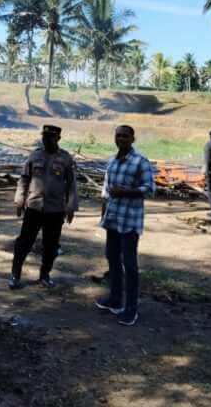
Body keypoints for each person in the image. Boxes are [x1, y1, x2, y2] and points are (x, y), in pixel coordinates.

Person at [95, 125, 155, 326]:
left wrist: (126, 191)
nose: (121, 139)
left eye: (125, 136)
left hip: (129, 221)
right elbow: (106, 190)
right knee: (111, 258)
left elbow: (150, 189)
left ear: (132, 139)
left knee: (129, 264)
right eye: (118, 135)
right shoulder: (112, 161)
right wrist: (103, 215)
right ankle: (115, 299)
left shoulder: (140, 161)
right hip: (112, 219)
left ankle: (131, 309)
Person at [9, 124, 78, 290]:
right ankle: (15, 275)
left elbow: (71, 185)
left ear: (58, 138)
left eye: (50, 137)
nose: (46, 139)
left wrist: (71, 206)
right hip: (34, 207)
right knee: (24, 243)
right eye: (44, 136)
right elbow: (24, 179)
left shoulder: (65, 159)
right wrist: (19, 200)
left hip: (55, 210)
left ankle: (44, 275)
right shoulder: (35, 156)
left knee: (51, 245)